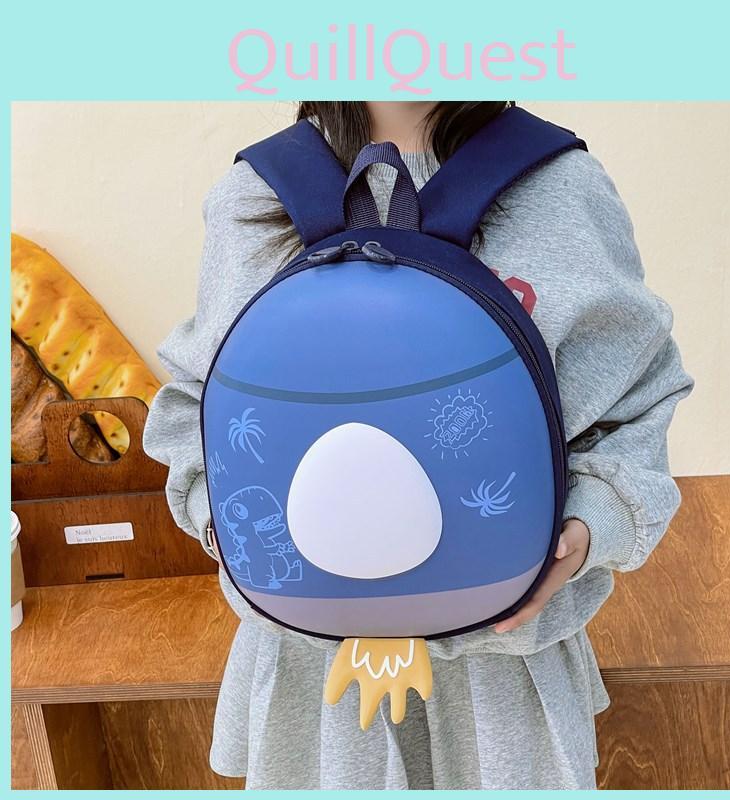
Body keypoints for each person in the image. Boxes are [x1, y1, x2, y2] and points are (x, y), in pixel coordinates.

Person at [142, 101, 694, 790]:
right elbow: (197, 406)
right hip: (310, 675)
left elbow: (637, 402)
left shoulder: (558, 187)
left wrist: (592, 525)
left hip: (501, 677)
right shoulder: (255, 195)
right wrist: (222, 523)